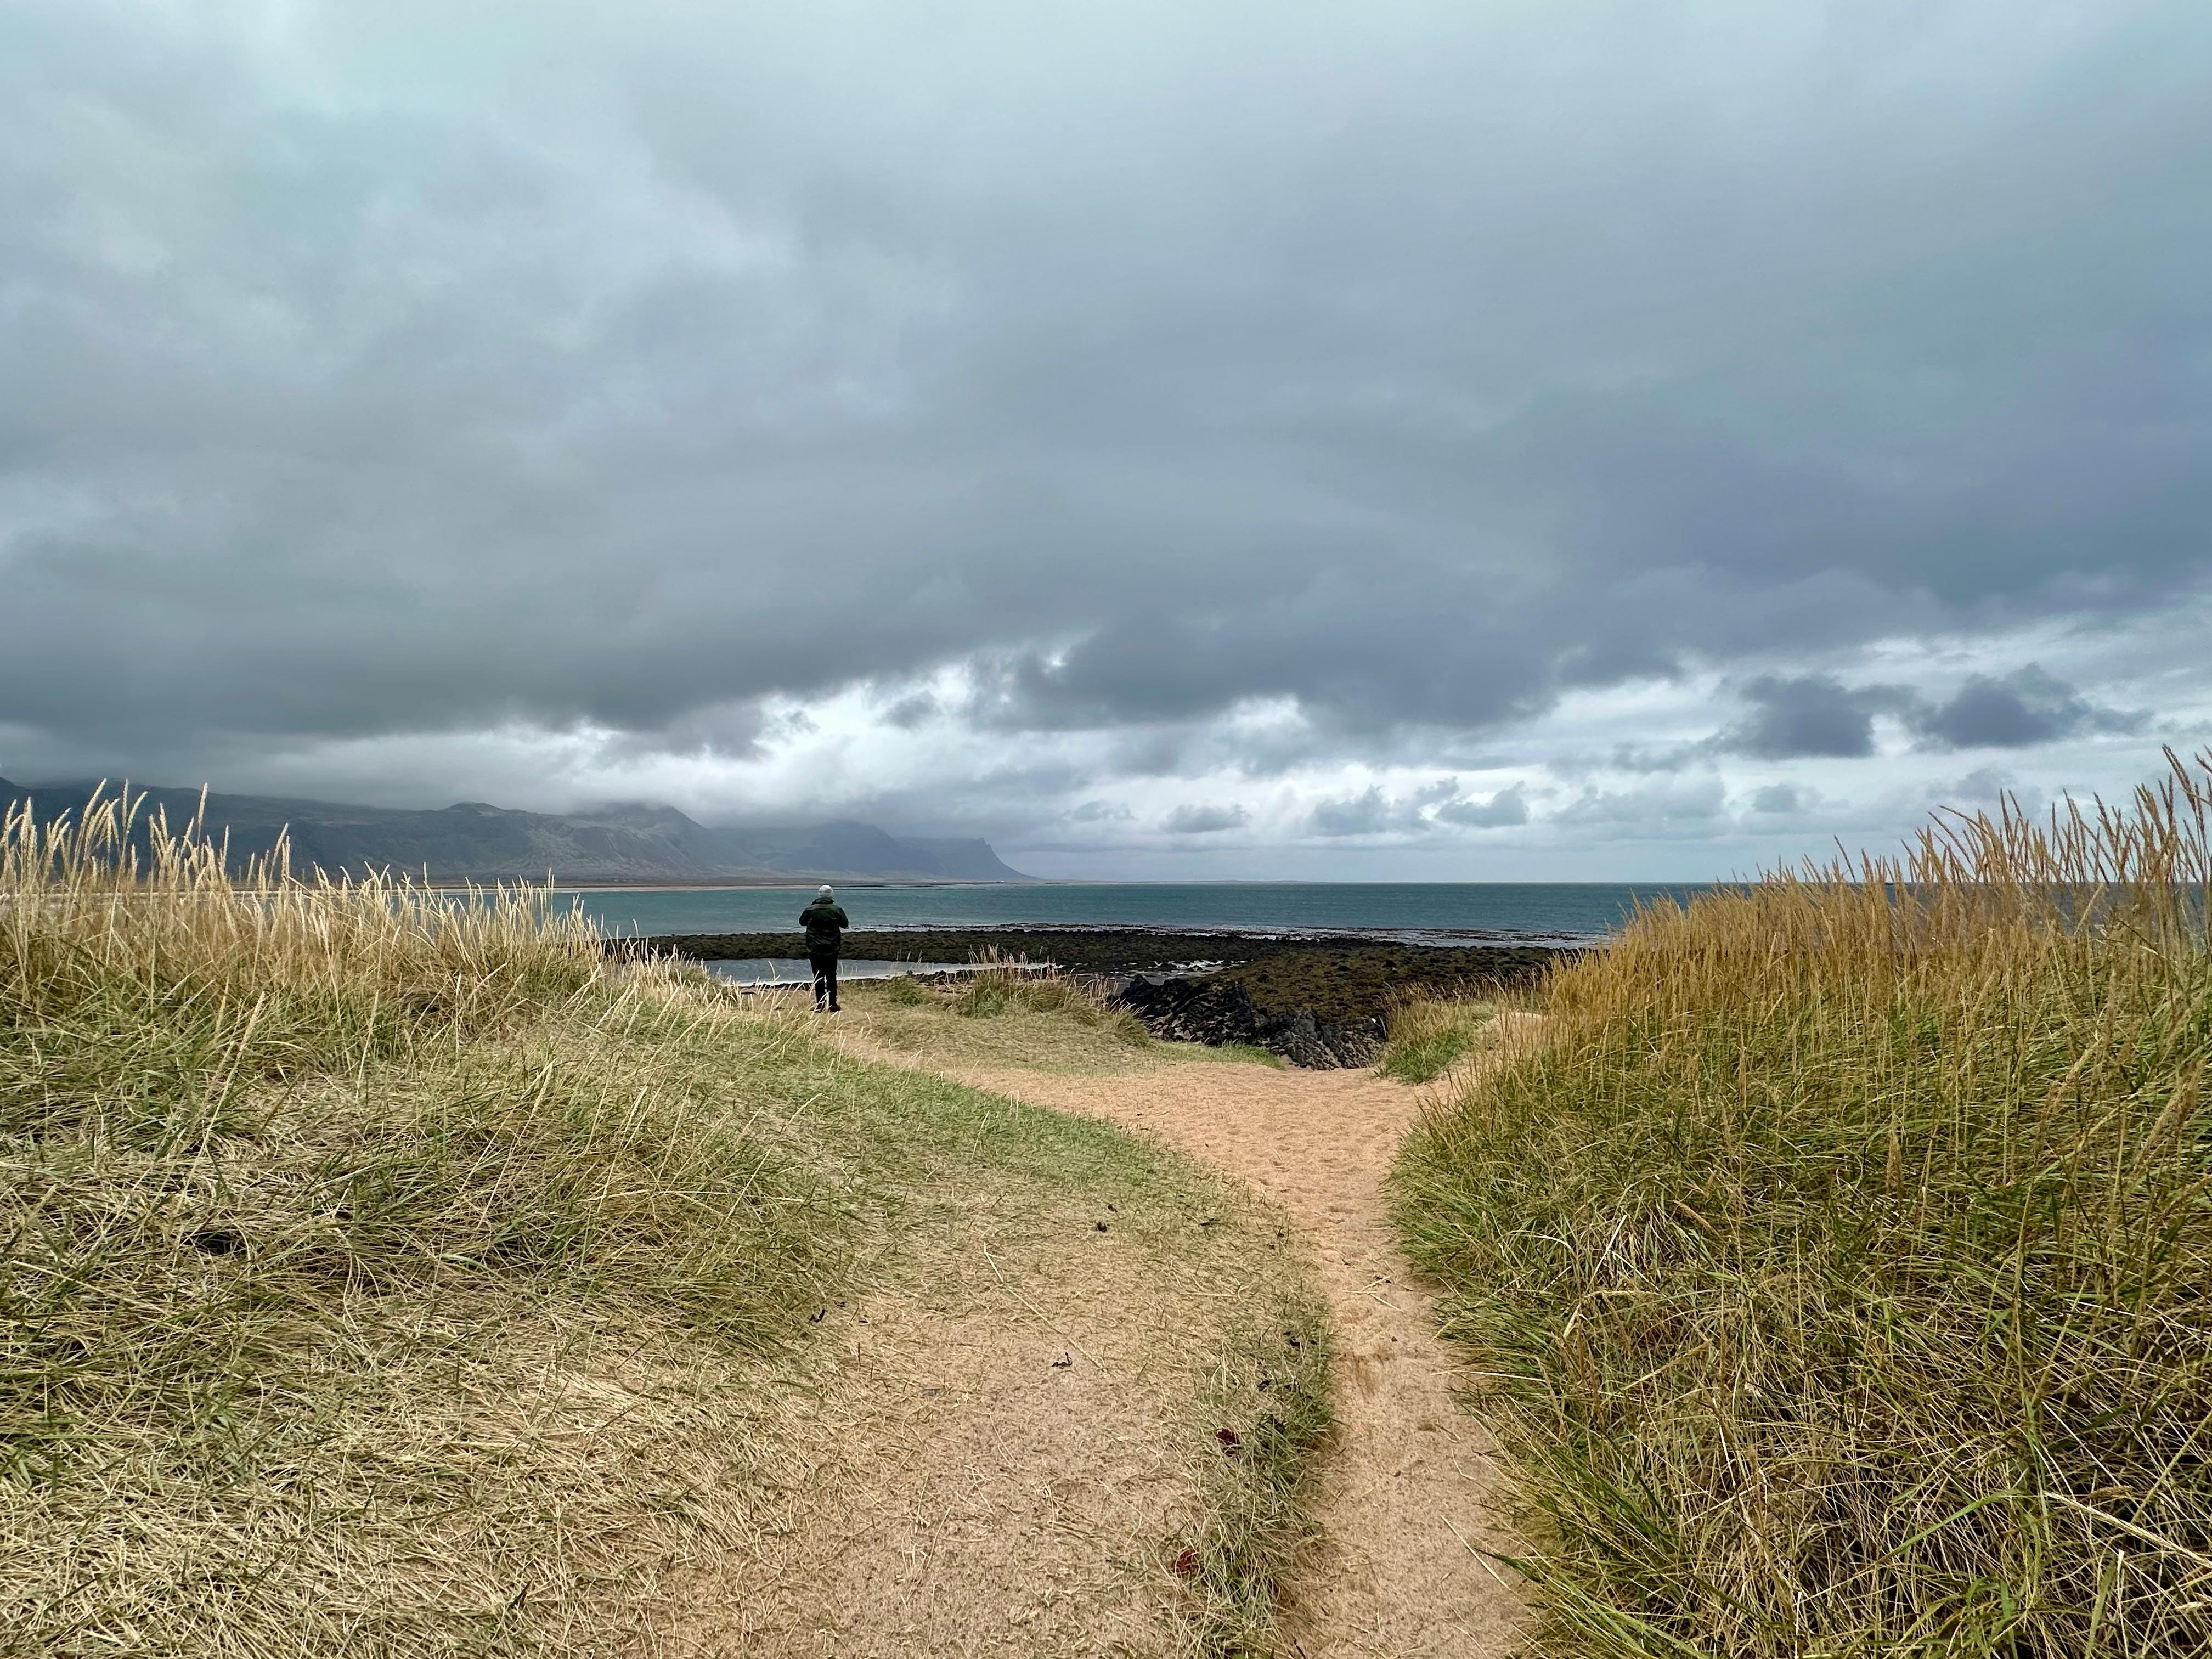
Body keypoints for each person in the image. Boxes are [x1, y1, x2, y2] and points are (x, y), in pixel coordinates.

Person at [799, 884, 850, 1012]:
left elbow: (802, 922)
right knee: (831, 976)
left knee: (818, 977)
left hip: (815, 948)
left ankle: (820, 1004)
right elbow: (845, 924)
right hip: (832, 948)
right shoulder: (836, 910)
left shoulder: (810, 910)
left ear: (819, 895)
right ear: (831, 896)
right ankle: (833, 1004)